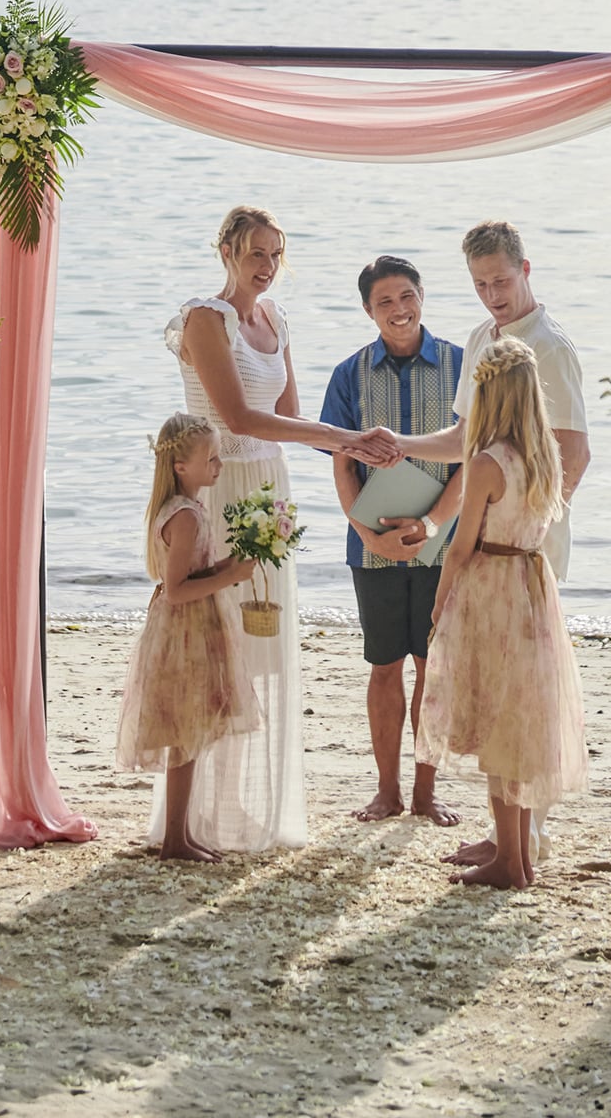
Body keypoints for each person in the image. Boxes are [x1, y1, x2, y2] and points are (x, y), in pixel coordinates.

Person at [163, 202, 401, 852]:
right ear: (227, 255)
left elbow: (289, 415)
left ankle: (235, 805)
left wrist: (365, 437)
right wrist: (345, 437)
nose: (266, 267)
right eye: (254, 254)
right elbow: (239, 417)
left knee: (258, 647)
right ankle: (189, 817)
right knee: (213, 647)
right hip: (218, 484)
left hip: (269, 489)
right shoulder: (204, 318)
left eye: (274, 254)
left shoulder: (276, 320)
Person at [397, 217, 591, 863]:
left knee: (522, 693)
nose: (491, 295)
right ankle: (504, 833)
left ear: (525, 271)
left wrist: (531, 518)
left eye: (500, 281)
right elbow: (464, 442)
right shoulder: (484, 339)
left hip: (525, 542)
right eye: (479, 284)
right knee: (494, 689)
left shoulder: (549, 348)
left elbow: (570, 450)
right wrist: (396, 446)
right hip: (493, 528)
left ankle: (525, 837)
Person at [319, 254, 465, 824]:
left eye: (406, 296)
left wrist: (430, 526)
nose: (398, 310)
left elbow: (470, 465)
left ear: (422, 296)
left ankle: (427, 795)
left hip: (444, 545)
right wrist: (366, 534)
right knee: (384, 665)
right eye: (385, 302)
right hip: (372, 548)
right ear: (368, 310)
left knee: (433, 666)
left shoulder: (460, 366)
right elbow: (340, 464)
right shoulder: (347, 374)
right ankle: (387, 791)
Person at [117, 413, 261, 861]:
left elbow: (192, 575)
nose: (219, 466)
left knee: (190, 730)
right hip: (185, 630)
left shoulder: (187, 510)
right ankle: (176, 840)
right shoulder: (186, 518)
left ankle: (181, 833)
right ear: (182, 467)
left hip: (192, 624)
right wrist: (230, 576)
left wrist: (231, 566)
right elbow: (178, 590)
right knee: (184, 731)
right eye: (211, 458)